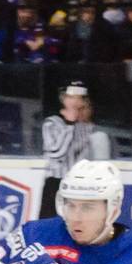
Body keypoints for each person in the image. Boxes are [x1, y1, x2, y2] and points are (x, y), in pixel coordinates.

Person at [40, 82, 97, 217]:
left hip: (79, 184)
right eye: (71, 97)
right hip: (56, 182)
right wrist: (69, 124)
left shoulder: (87, 127)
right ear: (63, 99)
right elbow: (55, 153)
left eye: (80, 98)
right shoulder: (51, 123)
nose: (76, 101)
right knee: (50, 228)